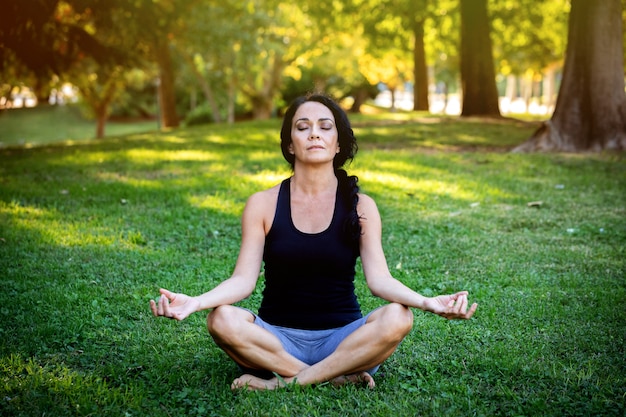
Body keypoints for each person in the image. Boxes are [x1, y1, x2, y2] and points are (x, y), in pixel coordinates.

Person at [150, 93, 478, 391]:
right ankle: (332, 377)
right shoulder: (262, 204)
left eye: (325, 127)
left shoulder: (362, 207)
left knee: (399, 317)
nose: (314, 133)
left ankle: (282, 384)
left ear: (338, 144)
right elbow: (242, 281)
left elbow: (379, 281)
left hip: (344, 341)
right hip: (275, 339)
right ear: (290, 144)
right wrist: (197, 301)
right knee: (220, 319)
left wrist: (426, 301)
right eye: (302, 127)